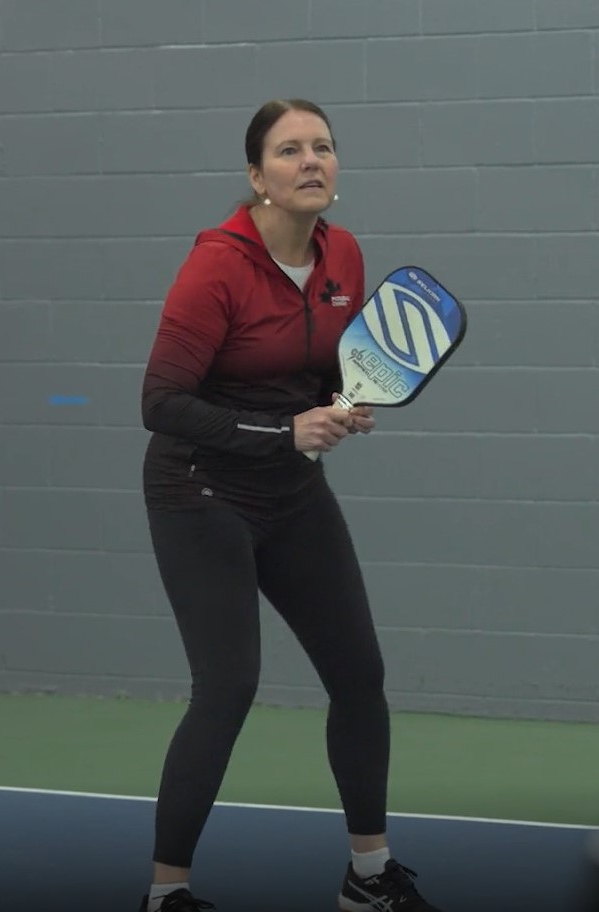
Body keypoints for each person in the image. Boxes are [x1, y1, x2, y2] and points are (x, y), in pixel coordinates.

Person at [135, 97, 443, 912]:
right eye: (288, 151)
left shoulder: (343, 254)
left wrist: (342, 401)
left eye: (323, 147)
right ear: (256, 178)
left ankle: (368, 877)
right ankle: (166, 894)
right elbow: (160, 402)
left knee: (359, 675)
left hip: (292, 492)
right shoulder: (215, 267)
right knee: (229, 685)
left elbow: (318, 376)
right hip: (199, 489)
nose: (311, 161)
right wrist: (286, 428)